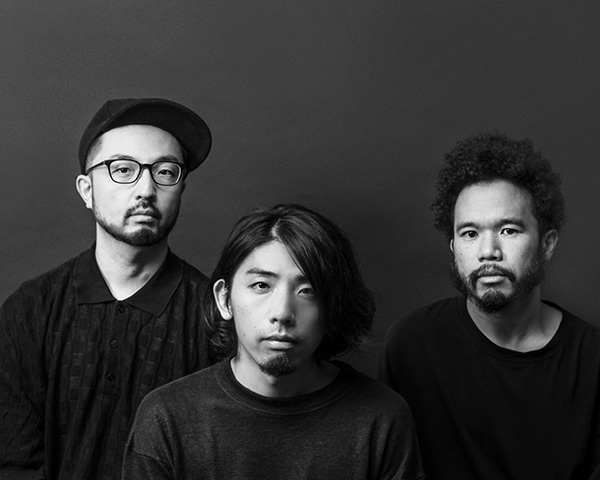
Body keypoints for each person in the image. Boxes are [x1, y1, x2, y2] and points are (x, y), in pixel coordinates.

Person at [123, 204, 425, 480]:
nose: (282, 312)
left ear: (332, 307)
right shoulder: (167, 418)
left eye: (308, 291)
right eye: (261, 285)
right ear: (224, 300)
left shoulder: (381, 418)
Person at [0, 98, 214, 480]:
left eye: (165, 171)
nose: (146, 189)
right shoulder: (30, 311)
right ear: (87, 190)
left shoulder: (213, 315)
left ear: (181, 188)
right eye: (123, 169)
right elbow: (15, 462)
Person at [379, 131, 600, 480]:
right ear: (454, 248)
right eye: (470, 233)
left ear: (547, 244)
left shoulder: (592, 360)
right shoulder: (410, 345)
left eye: (508, 230)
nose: (488, 252)